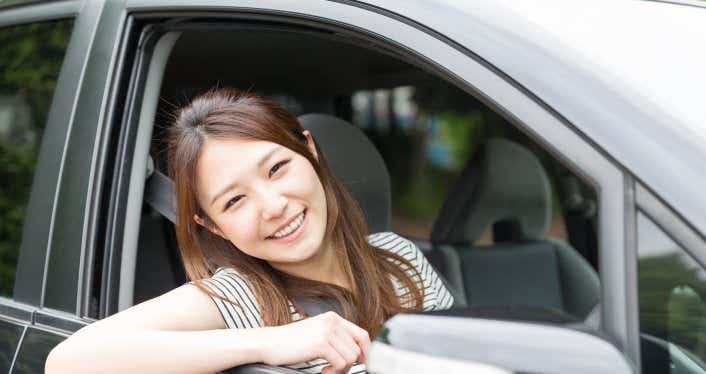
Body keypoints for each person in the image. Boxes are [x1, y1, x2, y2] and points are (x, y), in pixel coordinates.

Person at [45, 88, 454, 374]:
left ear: (309, 151)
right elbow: (68, 361)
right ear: (213, 227)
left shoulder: (399, 258)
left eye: (277, 168)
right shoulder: (240, 297)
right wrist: (268, 342)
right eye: (234, 201)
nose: (274, 207)